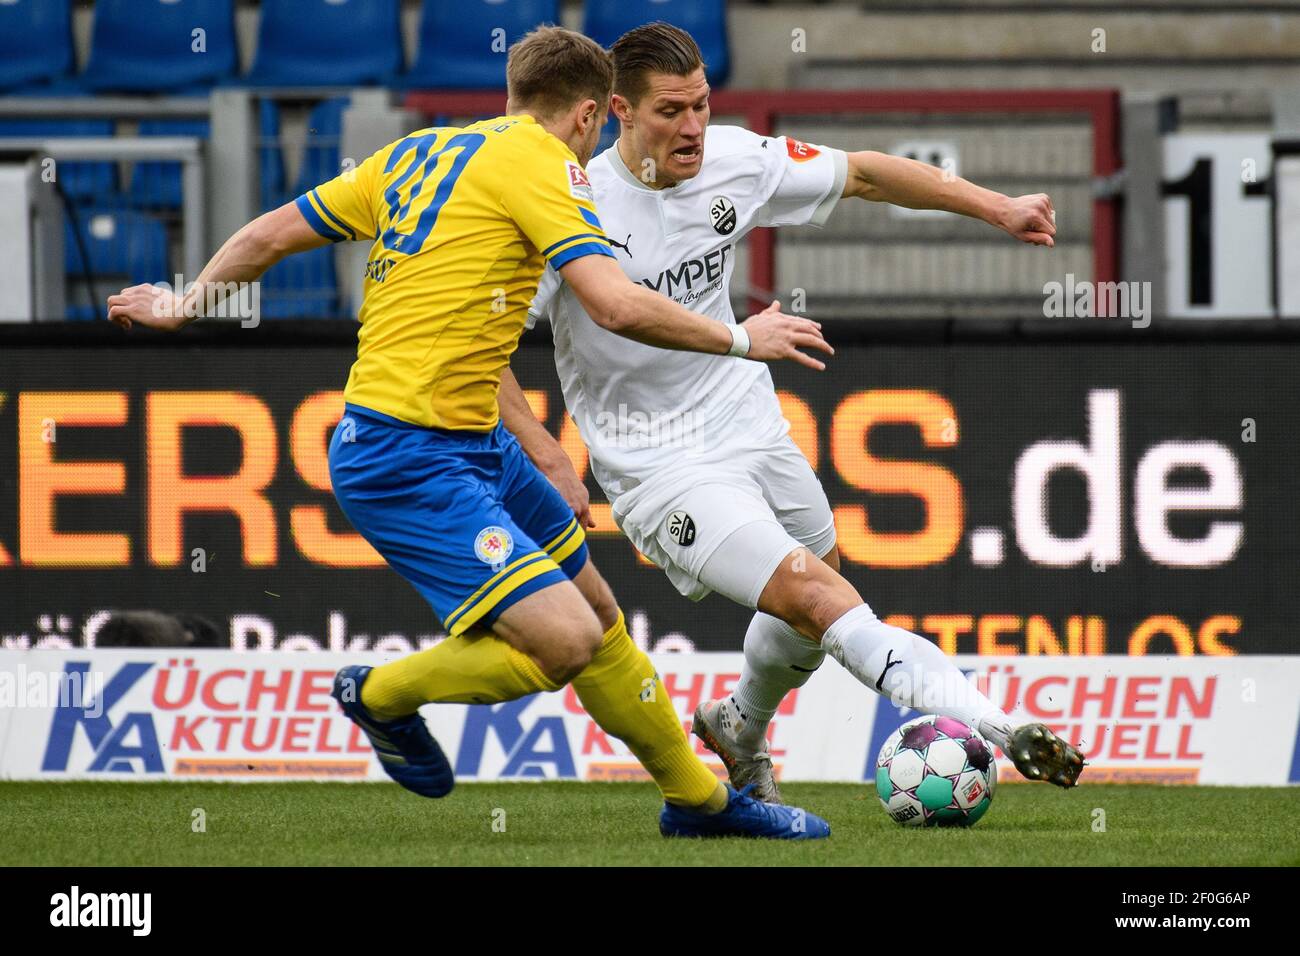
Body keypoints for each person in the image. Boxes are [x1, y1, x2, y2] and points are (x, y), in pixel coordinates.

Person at [107, 26, 834, 839]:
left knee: (597, 615)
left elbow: (271, 233)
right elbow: (615, 304)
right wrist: (744, 337)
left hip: (474, 438)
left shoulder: (414, 154)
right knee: (562, 642)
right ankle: (377, 694)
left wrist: (184, 301)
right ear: (590, 115)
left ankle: (700, 805)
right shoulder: (547, 166)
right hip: (402, 453)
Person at [515, 22, 1084, 803]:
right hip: (657, 464)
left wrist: (998, 208)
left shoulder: (735, 161)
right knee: (817, 597)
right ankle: (999, 726)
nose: (692, 129)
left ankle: (739, 727)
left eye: (703, 106)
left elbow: (868, 176)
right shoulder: (564, 204)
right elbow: (482, 351)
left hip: (749, 427)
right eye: (671, 111)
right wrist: (545, 449)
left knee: (820, 595)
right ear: (619, 110)